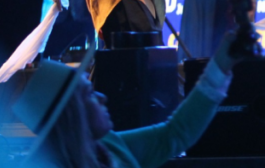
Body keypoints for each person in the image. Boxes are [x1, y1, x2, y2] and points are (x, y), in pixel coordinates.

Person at [14, 31, 244, 168]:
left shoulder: (108, 146)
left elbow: (172, 134)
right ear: (71, 114)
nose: (102, 97)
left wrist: (221, 64)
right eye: (89, 94)